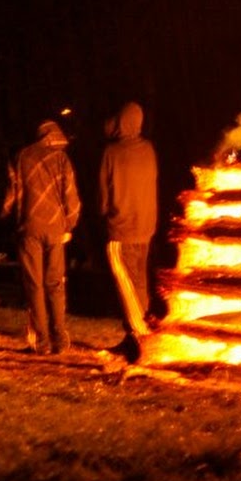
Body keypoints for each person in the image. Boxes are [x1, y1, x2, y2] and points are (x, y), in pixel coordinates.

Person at [1, 119, 82, 355]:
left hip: (30, 227)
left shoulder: (23, 156)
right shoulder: (61, 159)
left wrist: (5, 213)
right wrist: (70, 225)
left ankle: (42, 342)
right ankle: (60, 336)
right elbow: (71, 196)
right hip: (56, 228)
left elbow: (13, 191)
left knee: (34, 285)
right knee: (55, 283)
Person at [99, 101, 159, 362]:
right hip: (145, 227)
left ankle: (140, 338)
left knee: (125, 285)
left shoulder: (112, 152)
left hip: (121, 229)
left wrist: (106, 213)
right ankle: (132, 337)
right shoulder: (148, 149)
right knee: (139, 284)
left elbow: (103, 194)